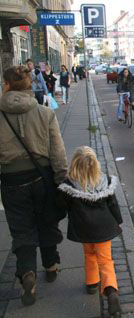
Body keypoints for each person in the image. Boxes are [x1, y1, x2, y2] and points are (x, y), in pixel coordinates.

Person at [0, 66, 67, 306]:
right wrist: (62, 178)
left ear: (6, 85)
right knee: (46, 221)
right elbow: (57, 151)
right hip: (42, 177)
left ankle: (27, 272)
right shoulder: (44, 112)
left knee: (21, 229)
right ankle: (51, 265)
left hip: (11, 180)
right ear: (29, 85)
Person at [57, 146, 122, 317]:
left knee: (89, 254)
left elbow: (62, 206)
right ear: (96, 165)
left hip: (84, 228)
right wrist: (119, 221)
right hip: (104, 227)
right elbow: (113, 204)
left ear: (74, 165)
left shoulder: (69, 186)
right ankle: (111, 290)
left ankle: (92, 283)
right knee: (106, 260)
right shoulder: (105, 182)